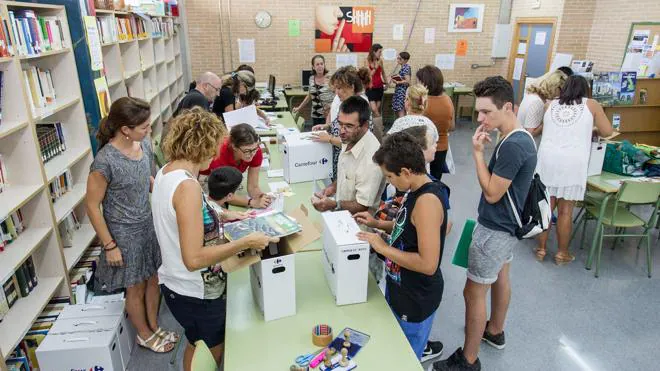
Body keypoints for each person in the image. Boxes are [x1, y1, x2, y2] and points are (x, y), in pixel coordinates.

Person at [152, 107, 277, 371]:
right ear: (202, 145)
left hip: (177, 287)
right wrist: (245, 242)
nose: (214, 154)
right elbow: (194, 258)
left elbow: (188, 215)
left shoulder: (168, 172)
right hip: (196, 291)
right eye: (212, 146)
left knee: (197, 342)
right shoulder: (187, 187)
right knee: (210, 351)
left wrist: (226, 215)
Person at [433, 76, 537, 371]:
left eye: (486, 112)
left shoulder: (514, 145)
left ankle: (468, 360)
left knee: (473, 291)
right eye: (478, 112)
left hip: (495, 227)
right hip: (506, 229)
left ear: (508, 107)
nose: (480, 118)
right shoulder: (520, 136)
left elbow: (492, 193)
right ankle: (494, 330)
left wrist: (478, 154)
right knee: (501, 276)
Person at [86, 97, 177, 354]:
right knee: (134, 287)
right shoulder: (104, 162)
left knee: (152, 279)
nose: (149, 130)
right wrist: (109, 245)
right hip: (123, 235)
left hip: (147, 225)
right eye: (144, 126)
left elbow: (148, 178)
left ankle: (154, 326)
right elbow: (92, 206)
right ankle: (144, 335)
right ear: (125, 129)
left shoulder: (144, 146)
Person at [355, 131, 447, 360]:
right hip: (400, 287)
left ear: (406, 172)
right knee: (394, 346)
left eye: (389, 177)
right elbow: (406, 224)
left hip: (416, 298)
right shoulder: (413, 190)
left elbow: (428, 264)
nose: (388, 182)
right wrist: (378, 223)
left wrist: (383, 247)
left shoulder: (427, 202)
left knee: (405, 356)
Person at [535, 75, 613, 263]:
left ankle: (541, 249)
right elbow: (608, 132)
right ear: (586, 90)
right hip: (572, 161)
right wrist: (591, 128)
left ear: (564, 88)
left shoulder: (550, 105)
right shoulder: (592, 105)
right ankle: (562, 253)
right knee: (565, 212)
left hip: (547, 159)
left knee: (546, 206)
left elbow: (551, 128)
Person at [311, 96, 384, 214]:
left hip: (357, 227)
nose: (342, 131)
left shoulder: (371, 160)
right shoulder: (351, 138)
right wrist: (332, 188)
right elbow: (346, 176)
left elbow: (362, 205)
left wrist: (334, 205)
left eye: (349, 126)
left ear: (365, 125)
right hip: (340, 217)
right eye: (340, 124)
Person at [311, 66, 373, 181]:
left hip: (351, 166)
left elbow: (356, 143)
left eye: (339, 88)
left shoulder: (360, 106)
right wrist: (327, 126)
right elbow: (338, 124)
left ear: (352, 87)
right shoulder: (346, 104)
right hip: (339, 160)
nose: (336, 92)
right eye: (336, 88)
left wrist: (329, 138)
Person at [200, 123, 272, 209]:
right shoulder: (220, 154)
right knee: (216, 209)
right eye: (247, 151)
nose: (252, 154)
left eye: (255, 149)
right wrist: (251, 202)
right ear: (234, 146)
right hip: (205, 178)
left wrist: (261, 197)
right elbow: (223, 194)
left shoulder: (255, 151)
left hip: (226, 180)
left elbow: (253, 186)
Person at [417, 65, 454, 181]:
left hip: (423, 148)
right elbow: (452, 127)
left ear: (425, 83)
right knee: (435, 180)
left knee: (422, 181)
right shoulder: (447, 99)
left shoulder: (423, 103)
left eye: (418, 82)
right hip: (442, 147)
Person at [518, 70, 569, 137]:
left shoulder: (531, 96)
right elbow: (530, 134)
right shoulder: (537, 102)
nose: (561, 95)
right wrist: (547, 119)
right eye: (561, 90)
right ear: (555, 87)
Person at [293, 55, 334, 128]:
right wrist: (299, 108)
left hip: (328, 115)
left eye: (322, 64)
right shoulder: (311, 79)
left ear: (324, 65)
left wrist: (331, 107)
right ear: (313, 67)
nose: (320, 66)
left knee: (326, 136)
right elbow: (309, 95)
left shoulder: (330, 78)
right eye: (317, 64)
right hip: (315, 115)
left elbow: (338, 95)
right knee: (316, 136)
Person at [364, 43, 387, 117]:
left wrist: (386, 83)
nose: (381, 54)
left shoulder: (380, 61)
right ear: (374, 52)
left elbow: (383, 73)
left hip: (379, 87)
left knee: (377, 109)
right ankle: (380, 126)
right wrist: (375, 67)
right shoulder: (367, 61)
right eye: (379, 52)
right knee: (373, 109)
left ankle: (376, 126)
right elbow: (369, 75)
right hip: (370, 87)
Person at [391, 52, 412, 118]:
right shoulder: (403, 67)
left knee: (401, 112)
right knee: (399, 111)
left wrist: (398, 82)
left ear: (405, 60)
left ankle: (402, 127)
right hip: (400, 92)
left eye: (400, 59)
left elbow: (408, 81)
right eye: (397, 58)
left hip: (402, 93)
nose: (398, 60)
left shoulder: (406, 67)